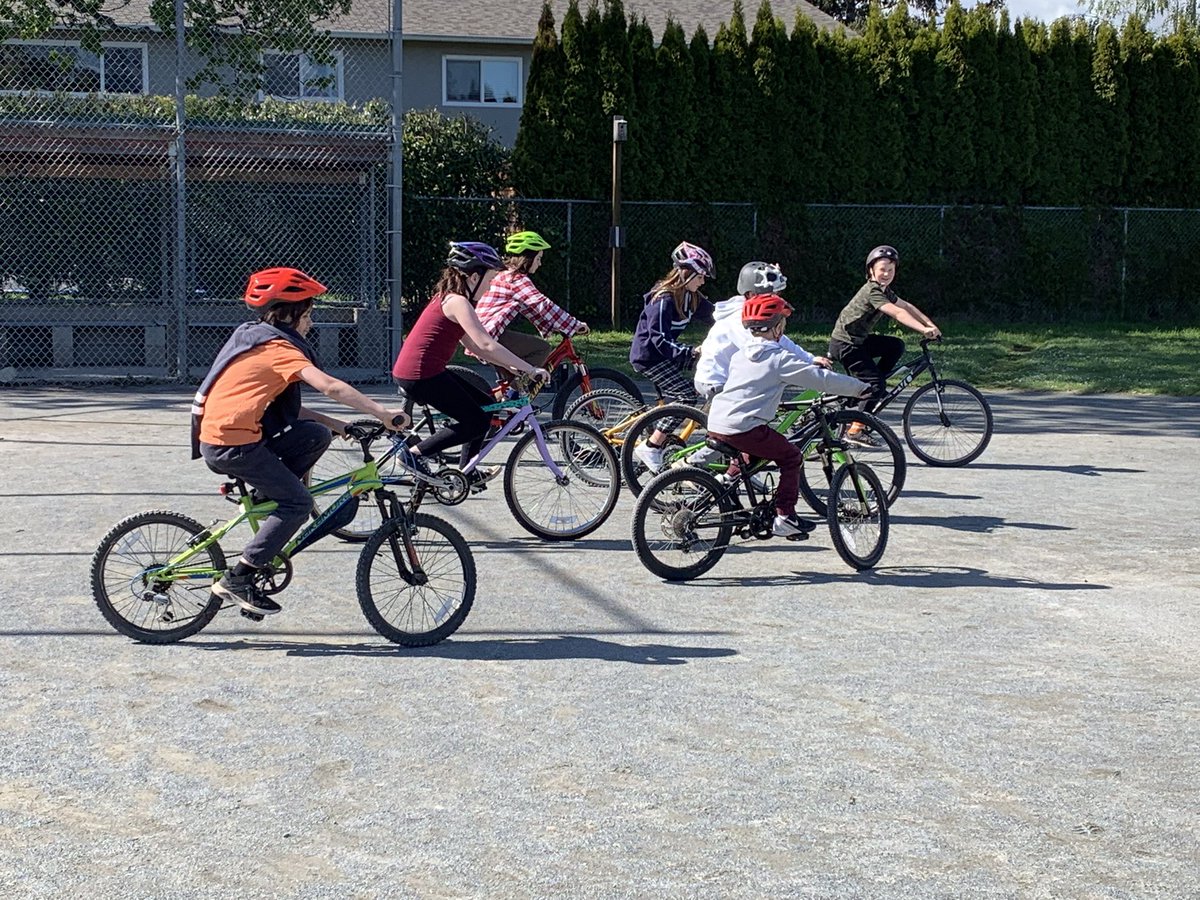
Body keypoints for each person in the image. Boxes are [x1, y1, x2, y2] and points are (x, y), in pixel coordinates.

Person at [192, 267, 409, 617]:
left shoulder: (255, 336)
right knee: (297, 503)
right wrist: (383, 413)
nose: (310, 323)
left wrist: (339, 425)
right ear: (292, 314)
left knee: (315, 435)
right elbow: (330, 386)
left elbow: (291, 409)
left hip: (237, 437)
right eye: (308, 314)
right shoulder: (280, 349)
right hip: (232, 447)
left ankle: (269, 500)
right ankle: (240, 577)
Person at [706, 294, 871, 537]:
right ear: (777, 328)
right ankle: (785, 516)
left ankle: (725, 481)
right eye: (783, 323)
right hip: (744, 426)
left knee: (751, 453)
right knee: (791, 457)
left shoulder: (740, 355)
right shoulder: (778, 358)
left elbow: (750, 389)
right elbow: (819, 379)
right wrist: (859, 388)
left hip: (719, 422)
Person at [391, 241, 550, 486]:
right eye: (488, 280)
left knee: (486, 406)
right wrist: (530, 368)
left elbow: (475, 345)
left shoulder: (450, 299)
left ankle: (467, 471)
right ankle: (414, 455)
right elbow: (486, 344)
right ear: (474, 277)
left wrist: (513, 367)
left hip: (422, 372)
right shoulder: (457, 301)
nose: (489, 287)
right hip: (421, 375)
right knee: (475, 421)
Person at [829, 245, 941, 445]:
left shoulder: (885, 290)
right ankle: (855, 430)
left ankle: (870, 390)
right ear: (871, 270)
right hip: (846, 344)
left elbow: (905, 306)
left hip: (859, 341)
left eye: (891, 270)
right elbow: (897, 312)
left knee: (895, 346)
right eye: (882, 269)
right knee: (876, 385)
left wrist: (930, 324)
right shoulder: (872, 291)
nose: (887, 274)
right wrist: (923, 330)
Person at [628, 241, 716, 472]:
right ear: (687, 274)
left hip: (666, 354)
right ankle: (652, 445)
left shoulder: (692, 296)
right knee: (686, 397)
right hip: (649, 357)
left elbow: (718, 313)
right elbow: (659, 340)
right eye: (700, 276)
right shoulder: (664, 299)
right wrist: (689, 352)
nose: (703, 280)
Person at [694, 260, 833, 400]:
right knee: (758, 406)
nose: (776, 298)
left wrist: (809, 359)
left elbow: (780, 340)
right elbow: (762, 349)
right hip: (716, 381)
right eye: (771, 294)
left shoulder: (756, 315)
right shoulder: (738, 319)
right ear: (751, 295)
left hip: (732, 377)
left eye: (777, 294)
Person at [473, 230, 590, 387]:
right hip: (490, 336)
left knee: (516, 371)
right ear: (528, 259)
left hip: (480, 333)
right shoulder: (517, 279)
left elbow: (531, 309)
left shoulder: (503, 274)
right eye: (538, 258)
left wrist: (552, 326)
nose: (540, 263)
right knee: (541, 348)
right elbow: (542, 305)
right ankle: (515, 396)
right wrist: (574, 325)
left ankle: (512, 399)